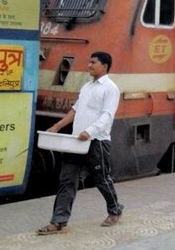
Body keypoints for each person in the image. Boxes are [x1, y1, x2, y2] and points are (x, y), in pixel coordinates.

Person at [37, 51, 124, 235]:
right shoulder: (87, 87)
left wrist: (89, 131)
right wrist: (57, 126)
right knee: (67, 180)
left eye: (93, 62)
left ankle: (115, 209)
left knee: (102, 179)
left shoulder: (110, 88)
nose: (89, 65)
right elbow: (74, 111)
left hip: (97, 142)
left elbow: (107, 116)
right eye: (89, 62)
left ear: (104, 66)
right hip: (76, 142)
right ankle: (58, 222)